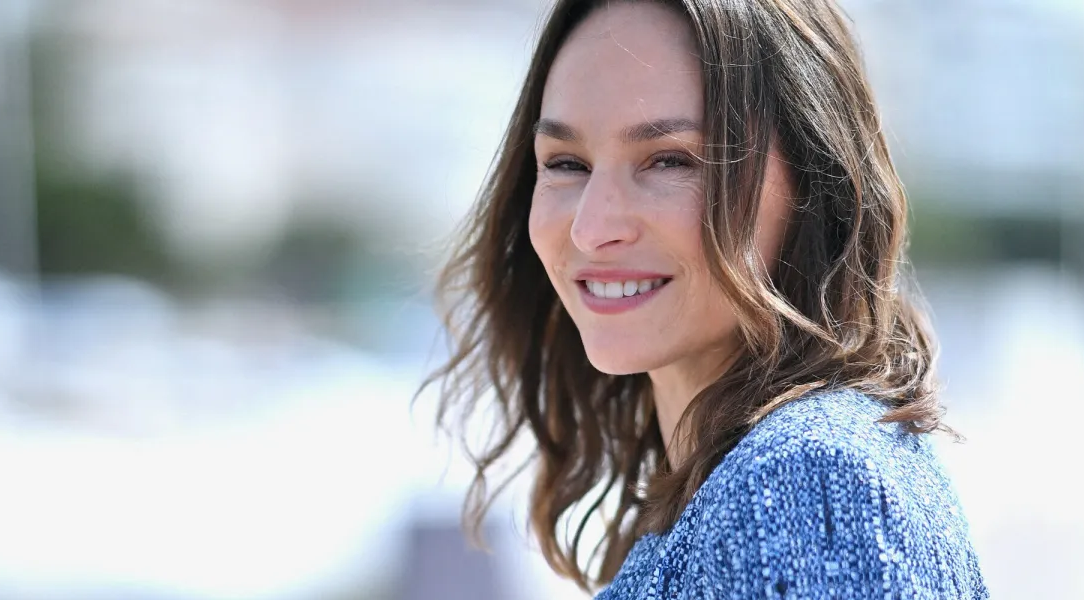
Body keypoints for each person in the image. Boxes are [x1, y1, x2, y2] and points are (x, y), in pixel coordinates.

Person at [420, 0, 988, 597]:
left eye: (670, 160)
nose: (592, 228)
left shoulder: (804, 483)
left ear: (814, 182)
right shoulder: (733, 487)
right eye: (566, 163)